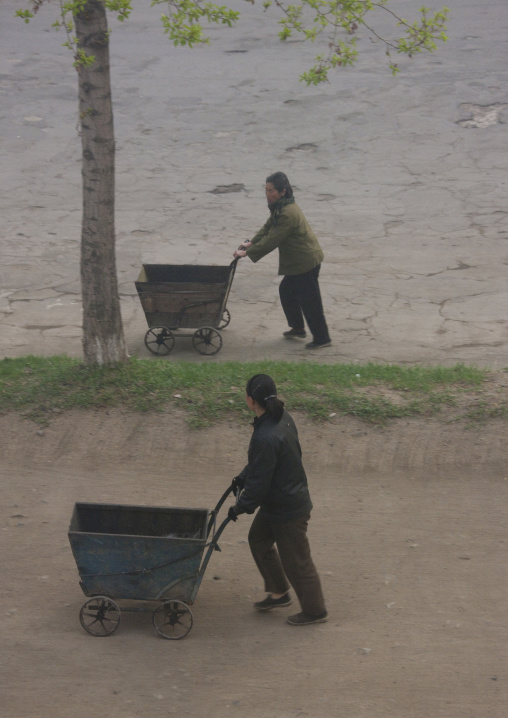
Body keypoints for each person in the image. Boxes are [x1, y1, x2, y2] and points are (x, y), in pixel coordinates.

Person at [228, 373, 328, 626]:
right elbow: (263, 465)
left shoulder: (266, 434)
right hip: (280, 501)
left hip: (288, 509)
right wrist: (242, 477)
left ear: (250, 400)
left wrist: (239, 507)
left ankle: (315, 611)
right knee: (258, 540)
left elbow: (260, 484)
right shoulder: (281, 418)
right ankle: (278, 592)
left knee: (297, 562)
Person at [234, 171, 331, 349]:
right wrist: (250, 243)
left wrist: (248, 253)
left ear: (282, 192)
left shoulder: (287, 214)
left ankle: (322, 338)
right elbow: (267, 228)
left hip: (305, 262)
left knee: (310, 302)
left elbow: (273, 239)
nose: (267, 194)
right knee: (287, 291)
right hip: (298, 263)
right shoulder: (280, 207)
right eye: (266, 190)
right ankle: (298, 328)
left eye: (271, 191)